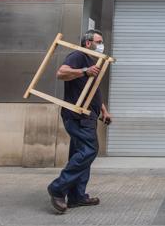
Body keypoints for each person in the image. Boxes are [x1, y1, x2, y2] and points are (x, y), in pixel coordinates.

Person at [47, 29, 112, 214]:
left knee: (81, 154)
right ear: (88, 43)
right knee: (90, 150)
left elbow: (94, 90)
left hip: (89, 116)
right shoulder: (78, 55)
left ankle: (77, 196)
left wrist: (104, 111)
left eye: (102, 41)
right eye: (98, 41)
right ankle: (58, 188)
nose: (101, 45)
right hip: (76, 115)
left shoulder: (93, 61)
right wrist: (84, 71)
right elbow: (61, 73)